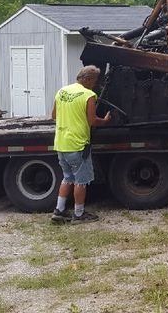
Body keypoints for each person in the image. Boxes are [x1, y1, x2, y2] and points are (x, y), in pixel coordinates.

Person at [50, 65, 110, 224]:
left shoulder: (62, 91)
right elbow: (92, 120)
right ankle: (78, 214)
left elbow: (54, 115)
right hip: (78, 144)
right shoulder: (88, 95)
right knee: (81, 181)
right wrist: (105, 120)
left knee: (67, 178)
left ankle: (59, 211)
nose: (96, 84)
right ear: (88, 79)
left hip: (61, 143)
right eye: (95, 80)